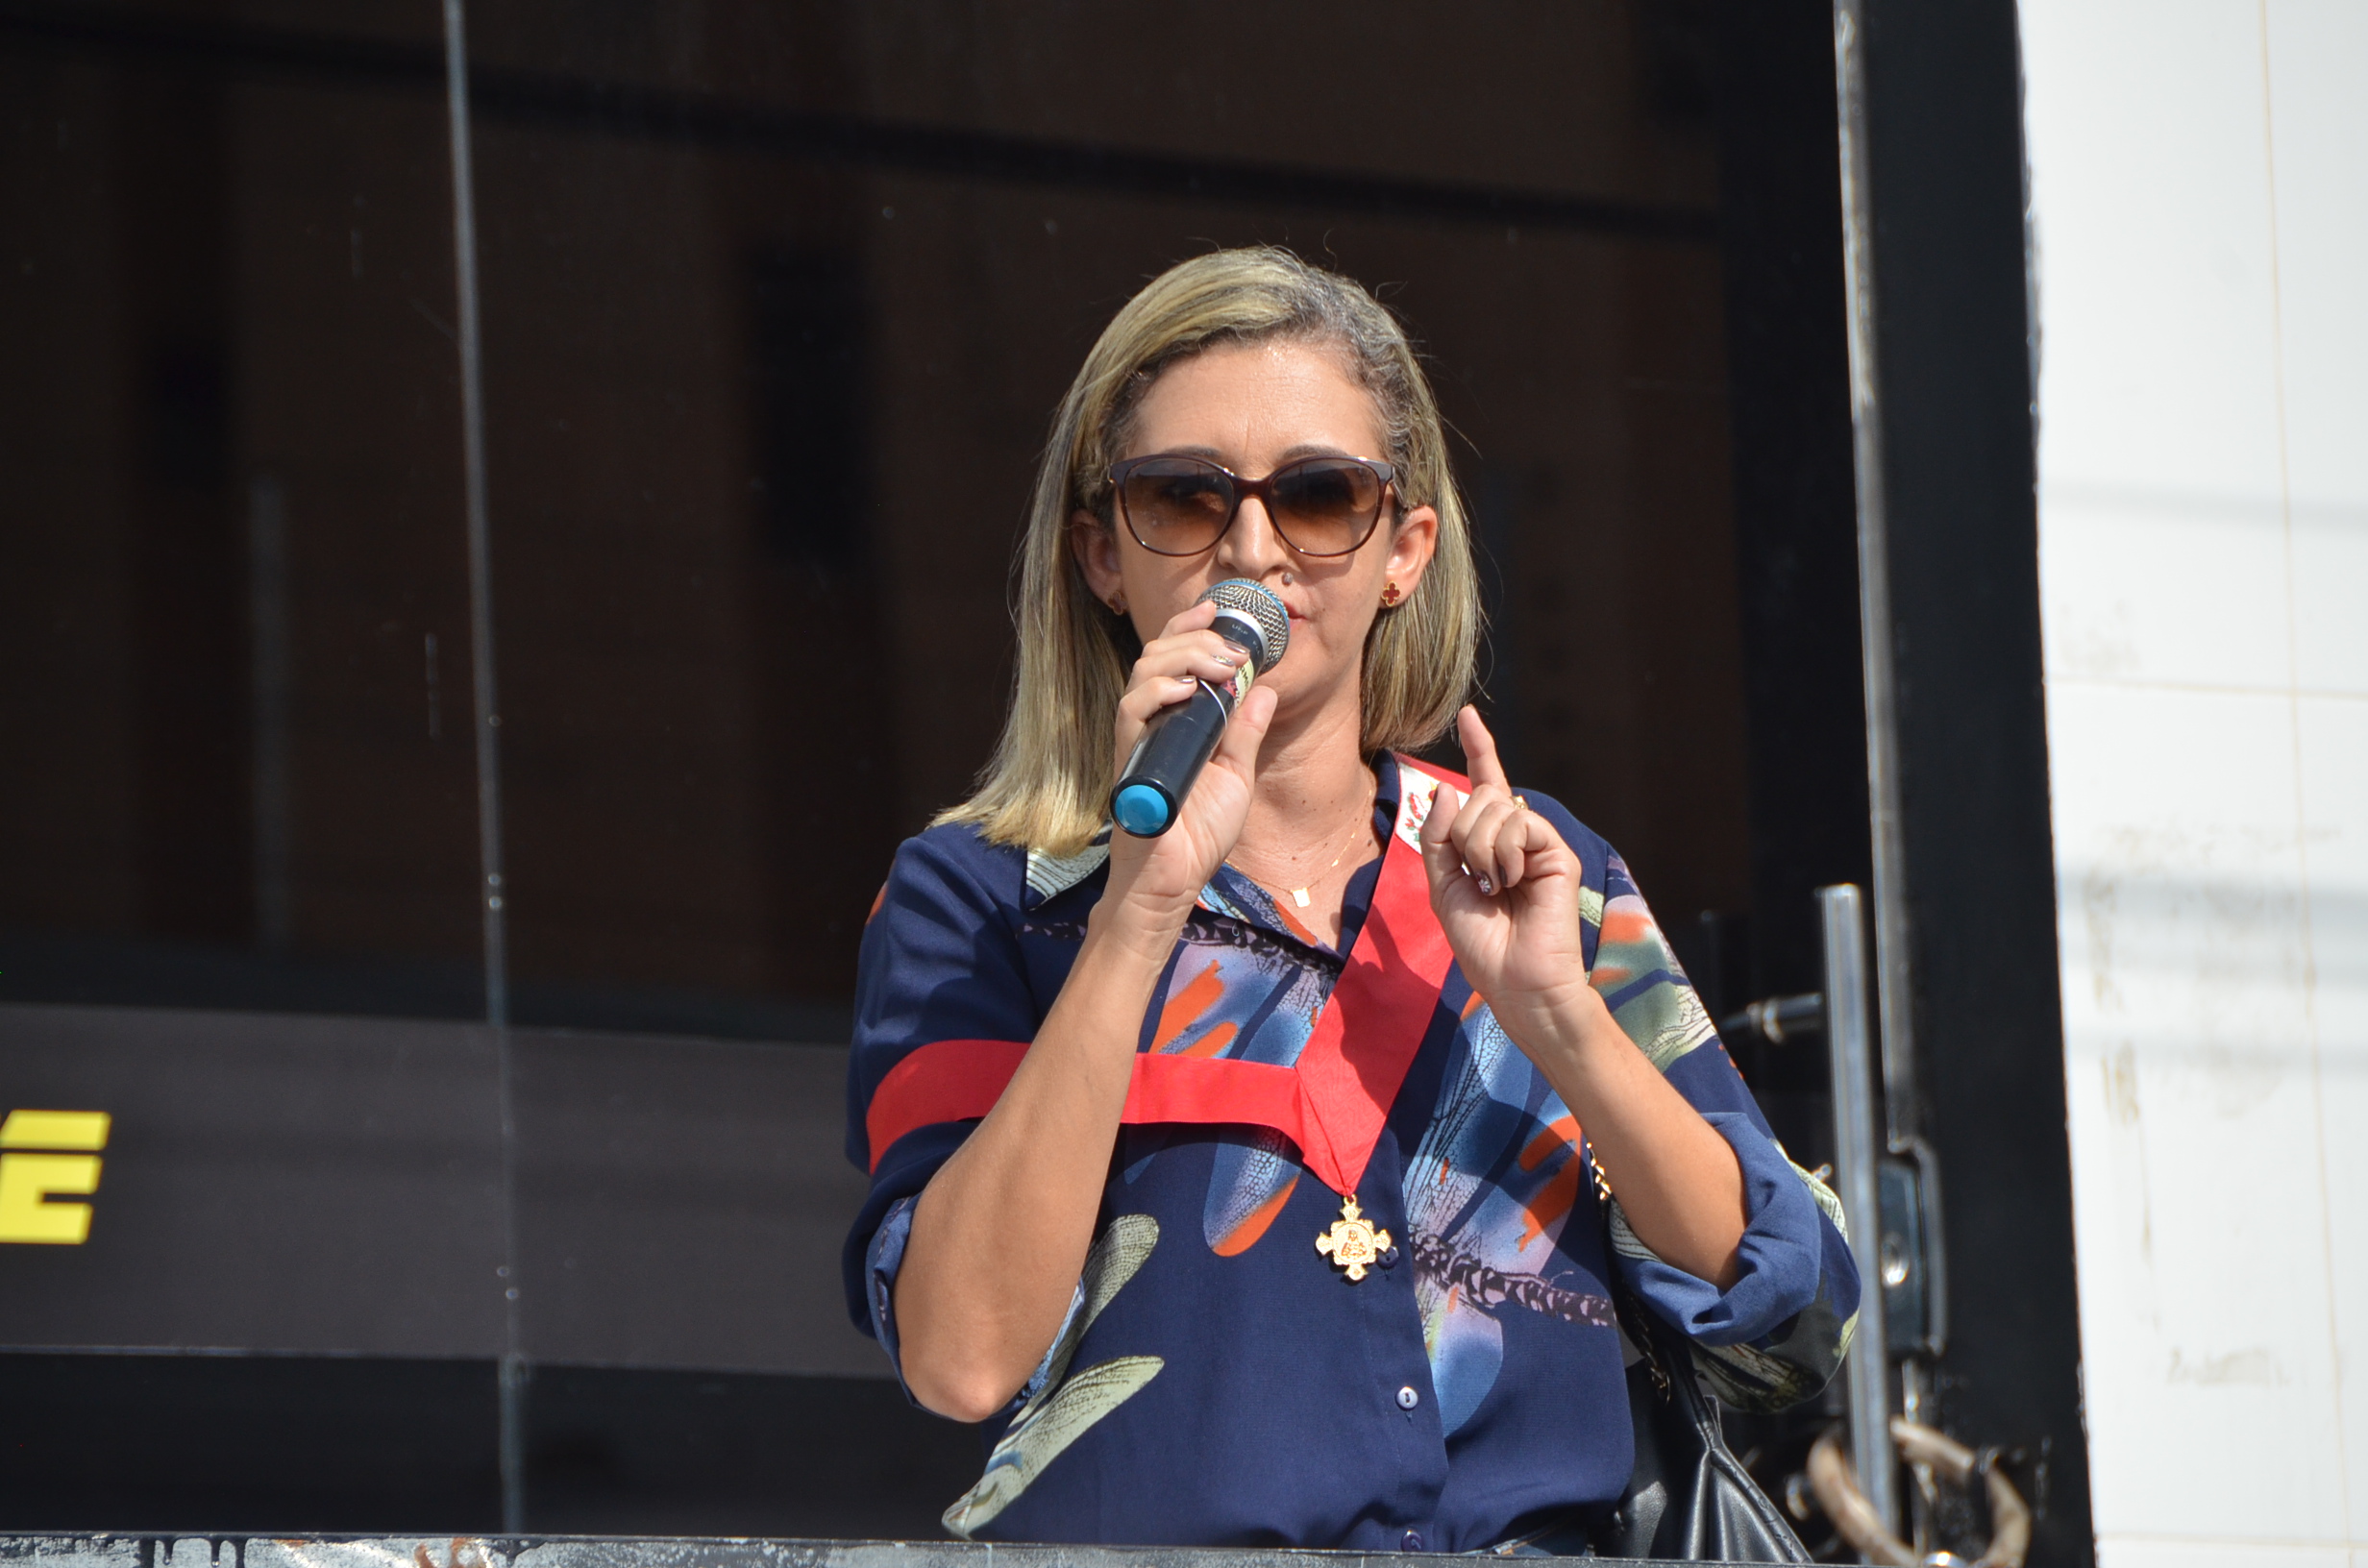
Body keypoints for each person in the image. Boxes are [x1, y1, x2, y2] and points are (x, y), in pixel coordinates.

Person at [841, 247, 1857, 1552]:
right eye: (1185, 497)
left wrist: (1561, 1019)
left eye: (1320, 496)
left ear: (1403, 552)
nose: (1252, 550)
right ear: (1100, 554)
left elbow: (1791, 1323)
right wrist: (1138, 914)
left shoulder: (1541, 869)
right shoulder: (982, 898)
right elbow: (962, 1354)